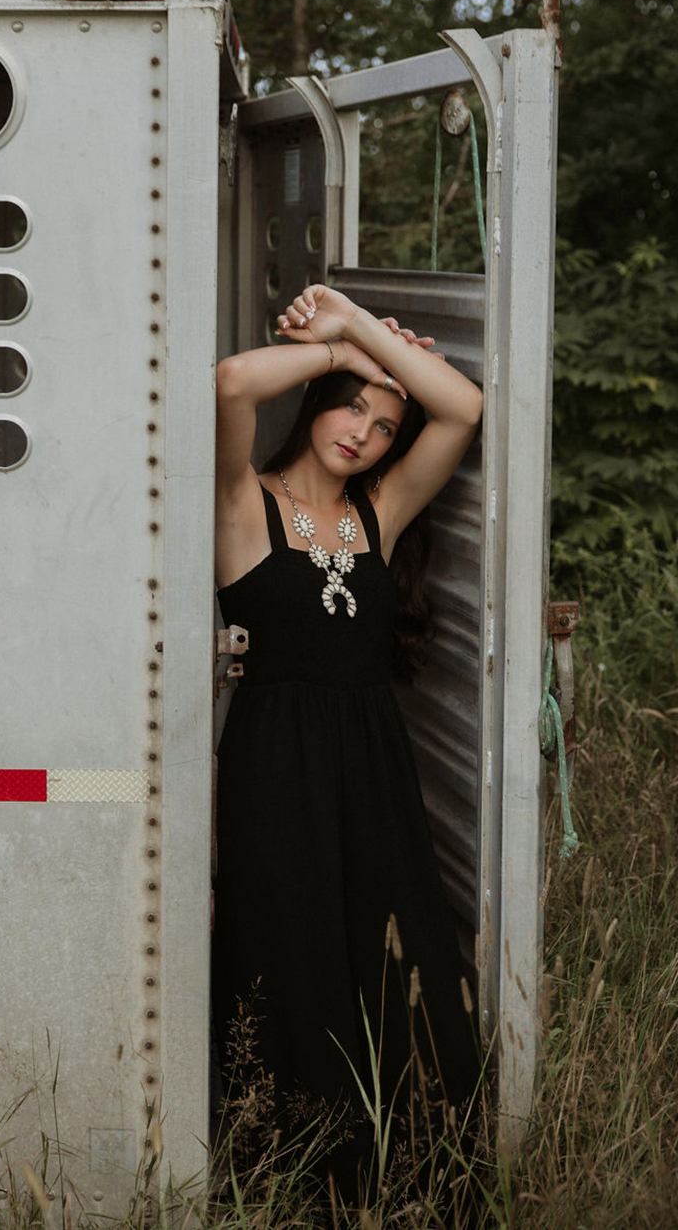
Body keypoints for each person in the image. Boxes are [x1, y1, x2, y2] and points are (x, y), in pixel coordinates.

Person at [212, 283, 483, 1196]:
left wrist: (357, 324)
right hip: (273, 773)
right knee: (290, 957)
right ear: (319, 403)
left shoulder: (380, 512)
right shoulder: (245, 502)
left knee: (390, 959)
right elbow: (231, 381)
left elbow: (463, 407)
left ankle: (407, 1180)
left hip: (373, 773)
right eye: (351, 407)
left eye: (384, 424)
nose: (363, 432)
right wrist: (342, 353)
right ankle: (293, 1184)